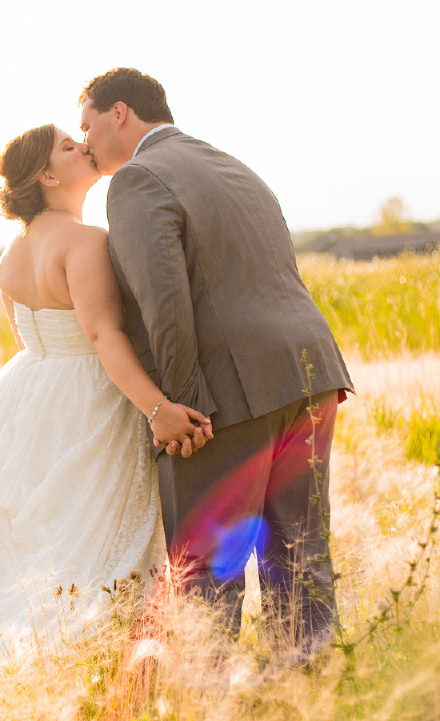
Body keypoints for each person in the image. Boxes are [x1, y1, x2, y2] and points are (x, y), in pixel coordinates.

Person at [0, 124, 212, 668]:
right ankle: (80, 652)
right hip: (88, 394)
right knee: (90, 527)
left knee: (27, 535)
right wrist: (156, 408)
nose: (83, 147)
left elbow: (26, 339)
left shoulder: (11, 255)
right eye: (69, 147)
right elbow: (100, 334)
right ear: (46, 175)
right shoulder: (86, 240)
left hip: (26, 394)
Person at [79, 67, 353, 657]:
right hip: (310, 375)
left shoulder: (136, 181)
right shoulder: (232, 165)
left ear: (119, 113)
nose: (85, 142)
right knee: (301, 550)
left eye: (88, 124)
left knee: (205, 572)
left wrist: (181, 409)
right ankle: (309, 691)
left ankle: (210, 717)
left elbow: (165, 305)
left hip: (228, 395)